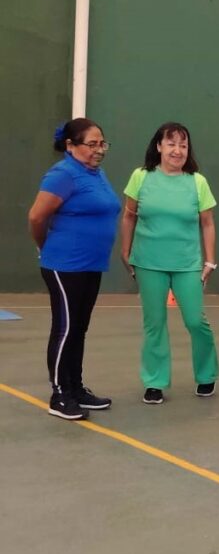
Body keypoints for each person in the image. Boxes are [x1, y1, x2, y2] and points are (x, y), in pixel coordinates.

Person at [121, 122, 219, 405]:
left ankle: (207, 374)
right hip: (149, 262)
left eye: (183, 145)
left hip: (187, 263)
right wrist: (125, 251)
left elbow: (207, 223)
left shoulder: (197, 182)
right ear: (159, 146)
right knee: (154, 323)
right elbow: (129, 216)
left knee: (195, 321)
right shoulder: (140, 177)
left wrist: (210, 261)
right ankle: (154, 382)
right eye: (171, 144)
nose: (178, 150)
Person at [28, 119, 121, 420]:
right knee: (65, 328)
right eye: (92, 144)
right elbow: (36, 217)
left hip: (91, 264)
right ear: (70, 146)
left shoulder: (96, 173)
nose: (99, 150)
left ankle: (76, 389)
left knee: (79, 328)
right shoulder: (62, 175)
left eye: (102, 143)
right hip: (64, 265)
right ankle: (59, 394)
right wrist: (45, 247)